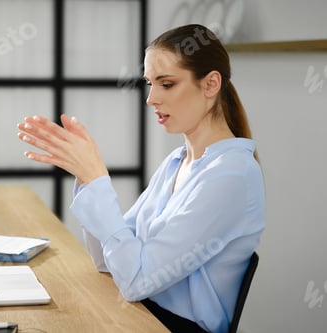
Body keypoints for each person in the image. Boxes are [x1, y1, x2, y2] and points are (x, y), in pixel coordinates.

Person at [17, 24, 265, 333]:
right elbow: (110, 261)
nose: (151, 98)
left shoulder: (232, 176)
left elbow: (136, 281)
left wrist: (98, 181)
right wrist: (87, 177)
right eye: (150, 83)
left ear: (211, 84)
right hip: (144, 314)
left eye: (167, 84)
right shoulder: (176, 163)